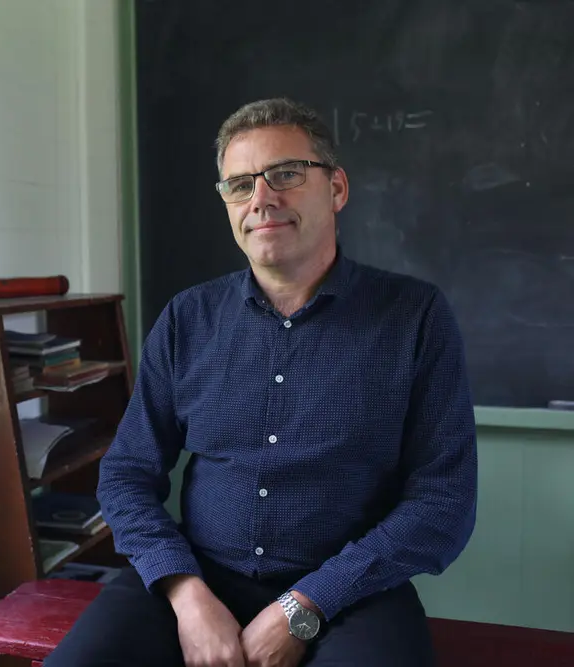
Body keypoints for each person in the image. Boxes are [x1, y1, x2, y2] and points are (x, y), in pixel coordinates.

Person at [42, 98, 478, 667]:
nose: (261, 199)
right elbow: (126, 474)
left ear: (337, 189)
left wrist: (306, 605)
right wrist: (188, 596)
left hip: (352, 592)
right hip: (196, 578)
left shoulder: (414, 317)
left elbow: (443, 503)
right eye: (239, 184)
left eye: (286, 175)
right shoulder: (187, 319)